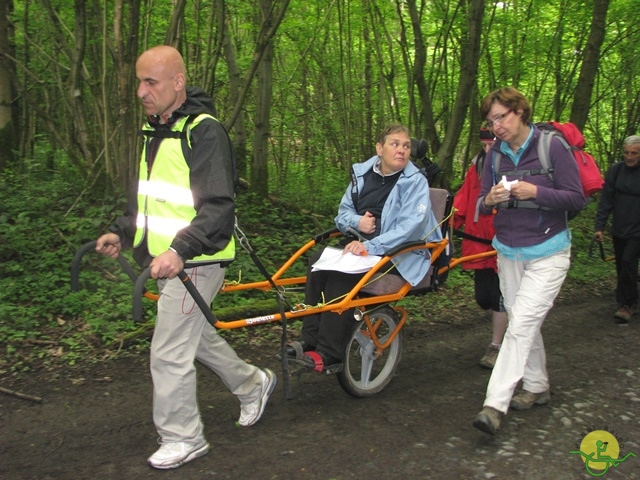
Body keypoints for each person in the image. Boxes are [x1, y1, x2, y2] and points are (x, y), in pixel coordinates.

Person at [94, 46, 276, 469]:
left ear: (177, 82)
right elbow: (149, 200)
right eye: (138, 81)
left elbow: (218, 206)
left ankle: (184, 436)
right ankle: (253, 384)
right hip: (166, 258)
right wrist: (121, 232)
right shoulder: (155, 129)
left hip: (197, 259)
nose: (140, 91)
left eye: (150, 82)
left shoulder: (204, 130)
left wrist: (179, 249)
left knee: (169, 349)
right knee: (195, 338)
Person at [472, 87, 585, 435]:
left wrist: (537, 192)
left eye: (501, 118)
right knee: (523, 320)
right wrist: (489, 198)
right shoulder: (494, 156)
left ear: (519, 111)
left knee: (518, 327)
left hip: (549, 252)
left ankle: (494, 404)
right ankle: (537, 385)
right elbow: (479, 205)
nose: (496, 127)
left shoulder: (552, 147)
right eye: (491, 122)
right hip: (508, 252)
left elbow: (576, 199)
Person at [286, 123, 443, 371]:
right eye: (395, 144)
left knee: (342, 275)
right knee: (317, 261)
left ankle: (330, 352)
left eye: (406, 146)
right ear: (380, 148)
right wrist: (358, 222)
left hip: (400, 252)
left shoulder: (415, 182)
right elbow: (342, 214)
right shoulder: (362, 175)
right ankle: (309, 339)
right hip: (361, 243)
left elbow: (410, 228)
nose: (402, 150)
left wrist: (371, 245)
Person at [452, 128, 507, 369]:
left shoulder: (512, 168)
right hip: (479, 243)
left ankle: (496, 345)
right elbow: (464, 198)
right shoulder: (477, 167)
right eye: (484, 145)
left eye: (491, 144)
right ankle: (508, 327)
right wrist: (449, 223)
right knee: (484, 298)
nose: (487, 150)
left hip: (504, 246)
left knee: (498, 298)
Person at [594, 135, 640, 324]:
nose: (630, 157)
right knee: (622, 265)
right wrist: (600, 226)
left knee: (629, 261)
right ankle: (632, 297)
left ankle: (626, 304)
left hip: (638, 229)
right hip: (620, 226)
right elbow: (606, 200)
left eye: (634, 153)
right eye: (627, 153)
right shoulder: (616, 170)